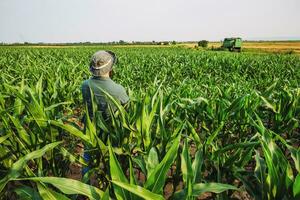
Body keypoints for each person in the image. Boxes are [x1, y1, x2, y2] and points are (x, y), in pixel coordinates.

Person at [81, 50, 129, 176]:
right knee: (111, 161)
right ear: (110, 68)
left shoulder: (85, 85)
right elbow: (127, 109)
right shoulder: (119, 90)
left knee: (87, 158)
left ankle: (84, 187)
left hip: (90, 131)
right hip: (111, 134)